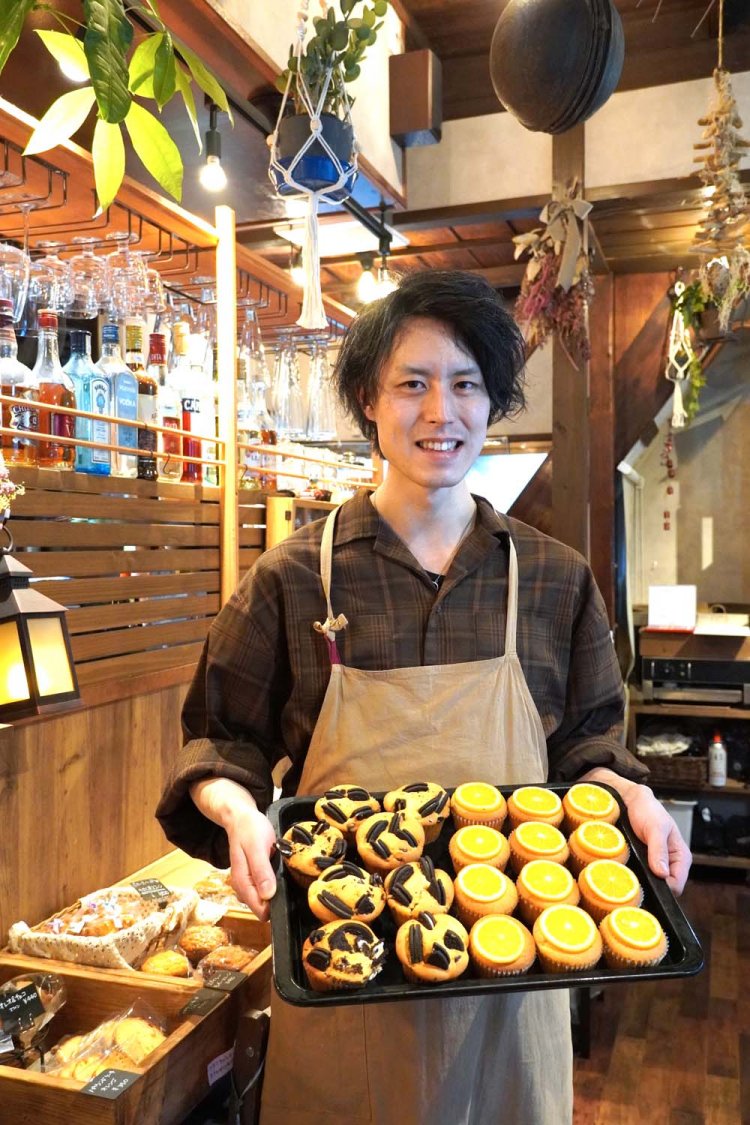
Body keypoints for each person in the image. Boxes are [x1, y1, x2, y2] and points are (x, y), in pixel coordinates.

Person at [156, 270, 691, 1125]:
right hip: (343, 976)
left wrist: (633, 794)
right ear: (370, 399)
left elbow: (590, 748)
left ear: (494, 402)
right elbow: (223, 741)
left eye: (467, 383)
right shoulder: (294, 577)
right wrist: (237, 810)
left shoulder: (553, 580)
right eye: (413, 383)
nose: (441, 411)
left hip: (515, 983)